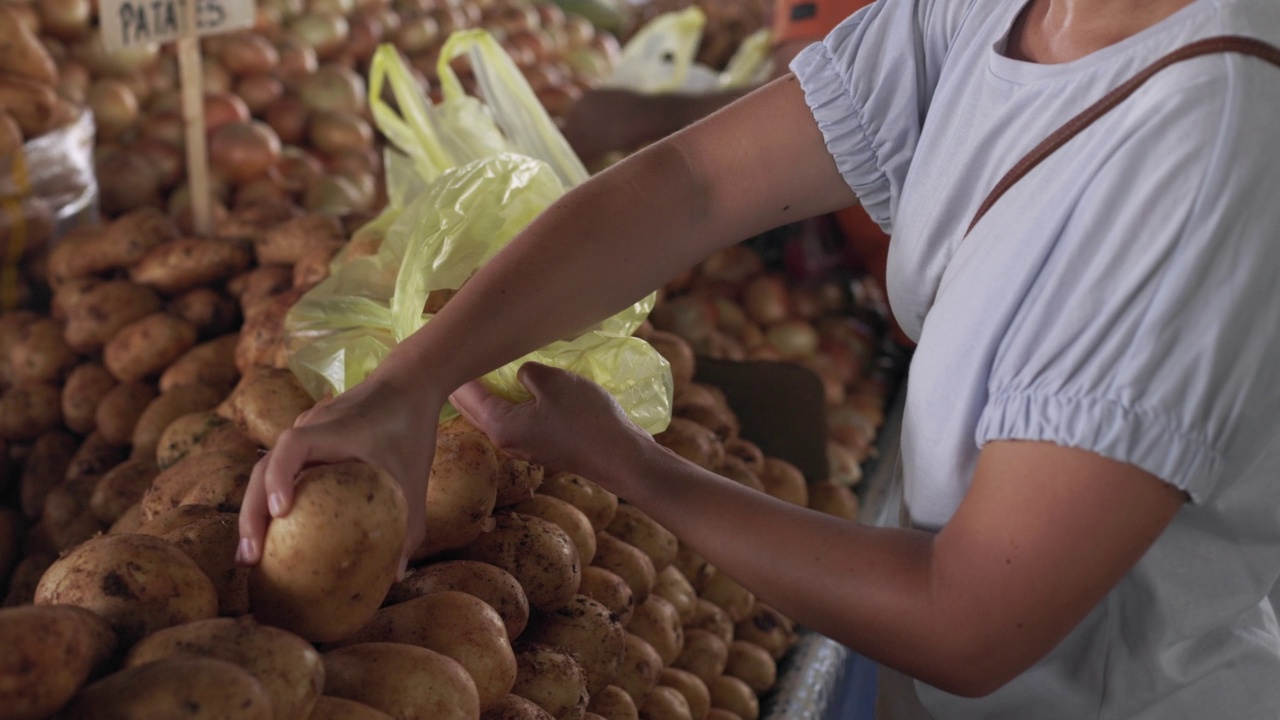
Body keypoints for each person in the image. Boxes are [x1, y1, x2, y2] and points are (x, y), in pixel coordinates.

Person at [238, 0, 1280, 716]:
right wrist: (405, 382)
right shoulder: (991, 14)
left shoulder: (1198, 147)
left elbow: (969, 620)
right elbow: (693, 181)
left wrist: (627, 464)